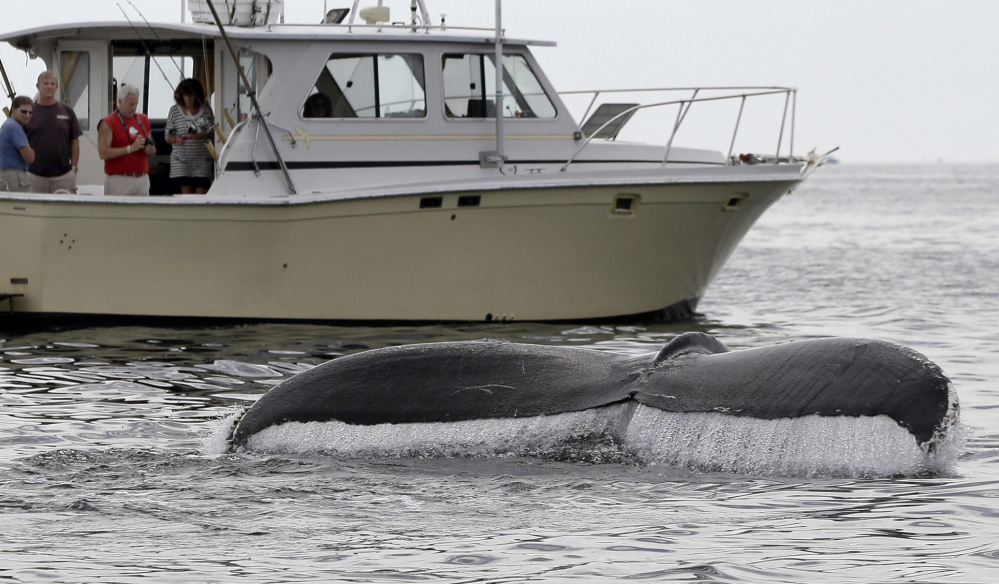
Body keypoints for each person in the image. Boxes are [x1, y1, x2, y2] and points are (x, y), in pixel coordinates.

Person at [24, 71, 82, 193]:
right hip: (34, 176)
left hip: (63, 176)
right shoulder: (29, 112)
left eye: (52, 84)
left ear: (56, 87)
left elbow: (75, 141)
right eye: (46, 83)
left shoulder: (67, 111)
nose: (49, 86)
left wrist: (74, 168)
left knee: (64, 212)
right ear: (38, 86)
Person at [97, 84, 156, 196]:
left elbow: (152, 145)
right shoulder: (108, 123)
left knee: (142, 213)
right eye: (130, 104)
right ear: (120, 101)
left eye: (136, 104)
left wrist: (150, 150)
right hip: (120, 179)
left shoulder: (143, 119)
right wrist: (130, 148)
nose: (134, 108)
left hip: (142, 178)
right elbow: (103, 153)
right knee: (118, 213)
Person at [164, 79, 215, 194]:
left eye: (191, 96)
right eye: (185, 96)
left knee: (201, 195)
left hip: (202, 161)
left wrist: (201, 136)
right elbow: (168, 136)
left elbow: (213, 132)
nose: (188, 99)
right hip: (180, 161)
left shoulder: (206, 110)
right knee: (186, 197)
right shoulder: (174, 111)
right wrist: (176, 139)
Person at [0, 96, 36, 192]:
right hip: (15, 177)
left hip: (4, 175)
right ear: (13, 110)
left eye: (30, 112)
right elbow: (29, 158)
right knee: (25, 206)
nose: (27, 115)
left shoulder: (6, 124)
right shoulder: (15, 128)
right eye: (24, 112)